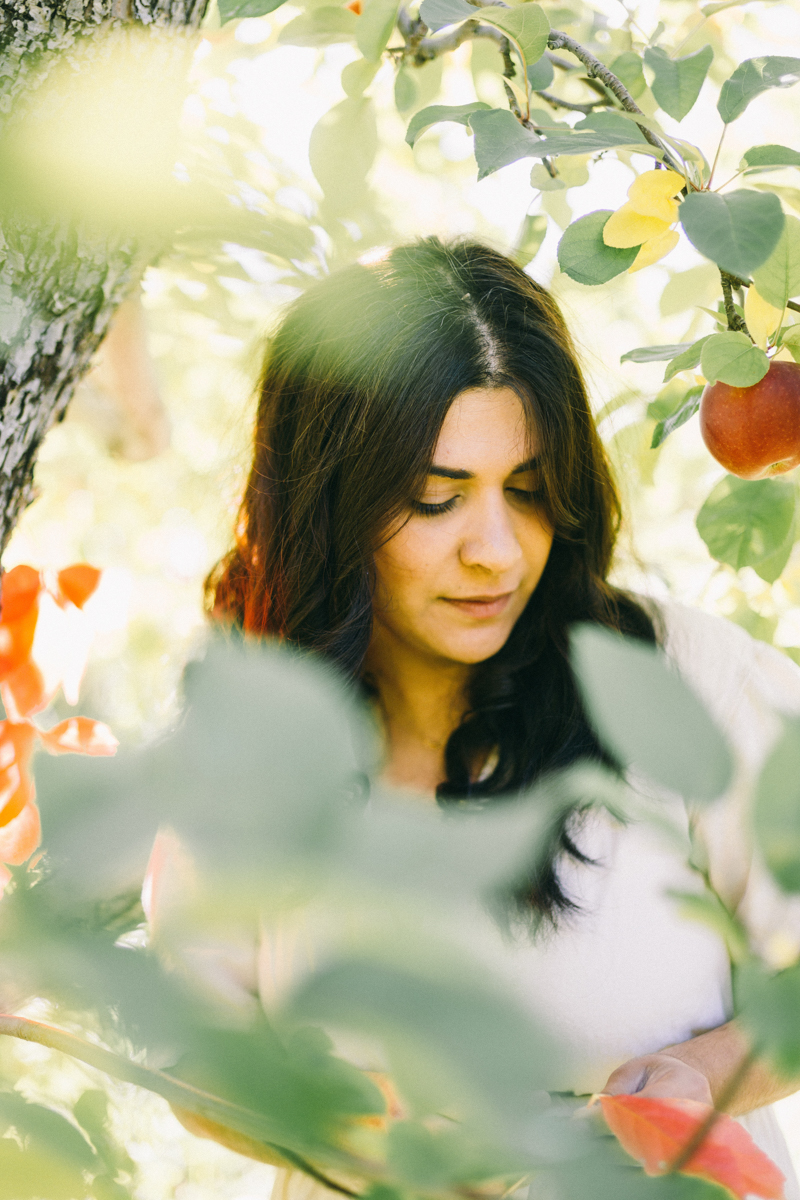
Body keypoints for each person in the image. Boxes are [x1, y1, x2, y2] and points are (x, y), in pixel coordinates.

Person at [201, 236, 800, 1195]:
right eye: (435, 500)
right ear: (330, 503)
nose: (497, 552)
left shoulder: (686, 682)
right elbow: (195, 1042)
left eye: (527, 492)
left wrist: (704, 1072)